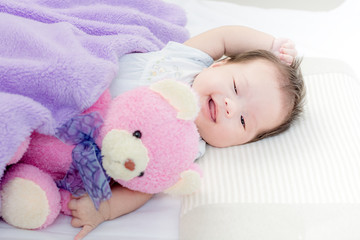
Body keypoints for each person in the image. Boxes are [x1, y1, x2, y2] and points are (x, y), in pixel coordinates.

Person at [68, 25, 305, 240]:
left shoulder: (187, 145)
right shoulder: (188, 61)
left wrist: (106, 209)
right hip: (83, 74)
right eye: (235, 87)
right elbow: (225, 37)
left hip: (73, 131)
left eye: (243, 121)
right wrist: (271, 45)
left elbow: (144, 186)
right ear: (219, 64)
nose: (230, 107)